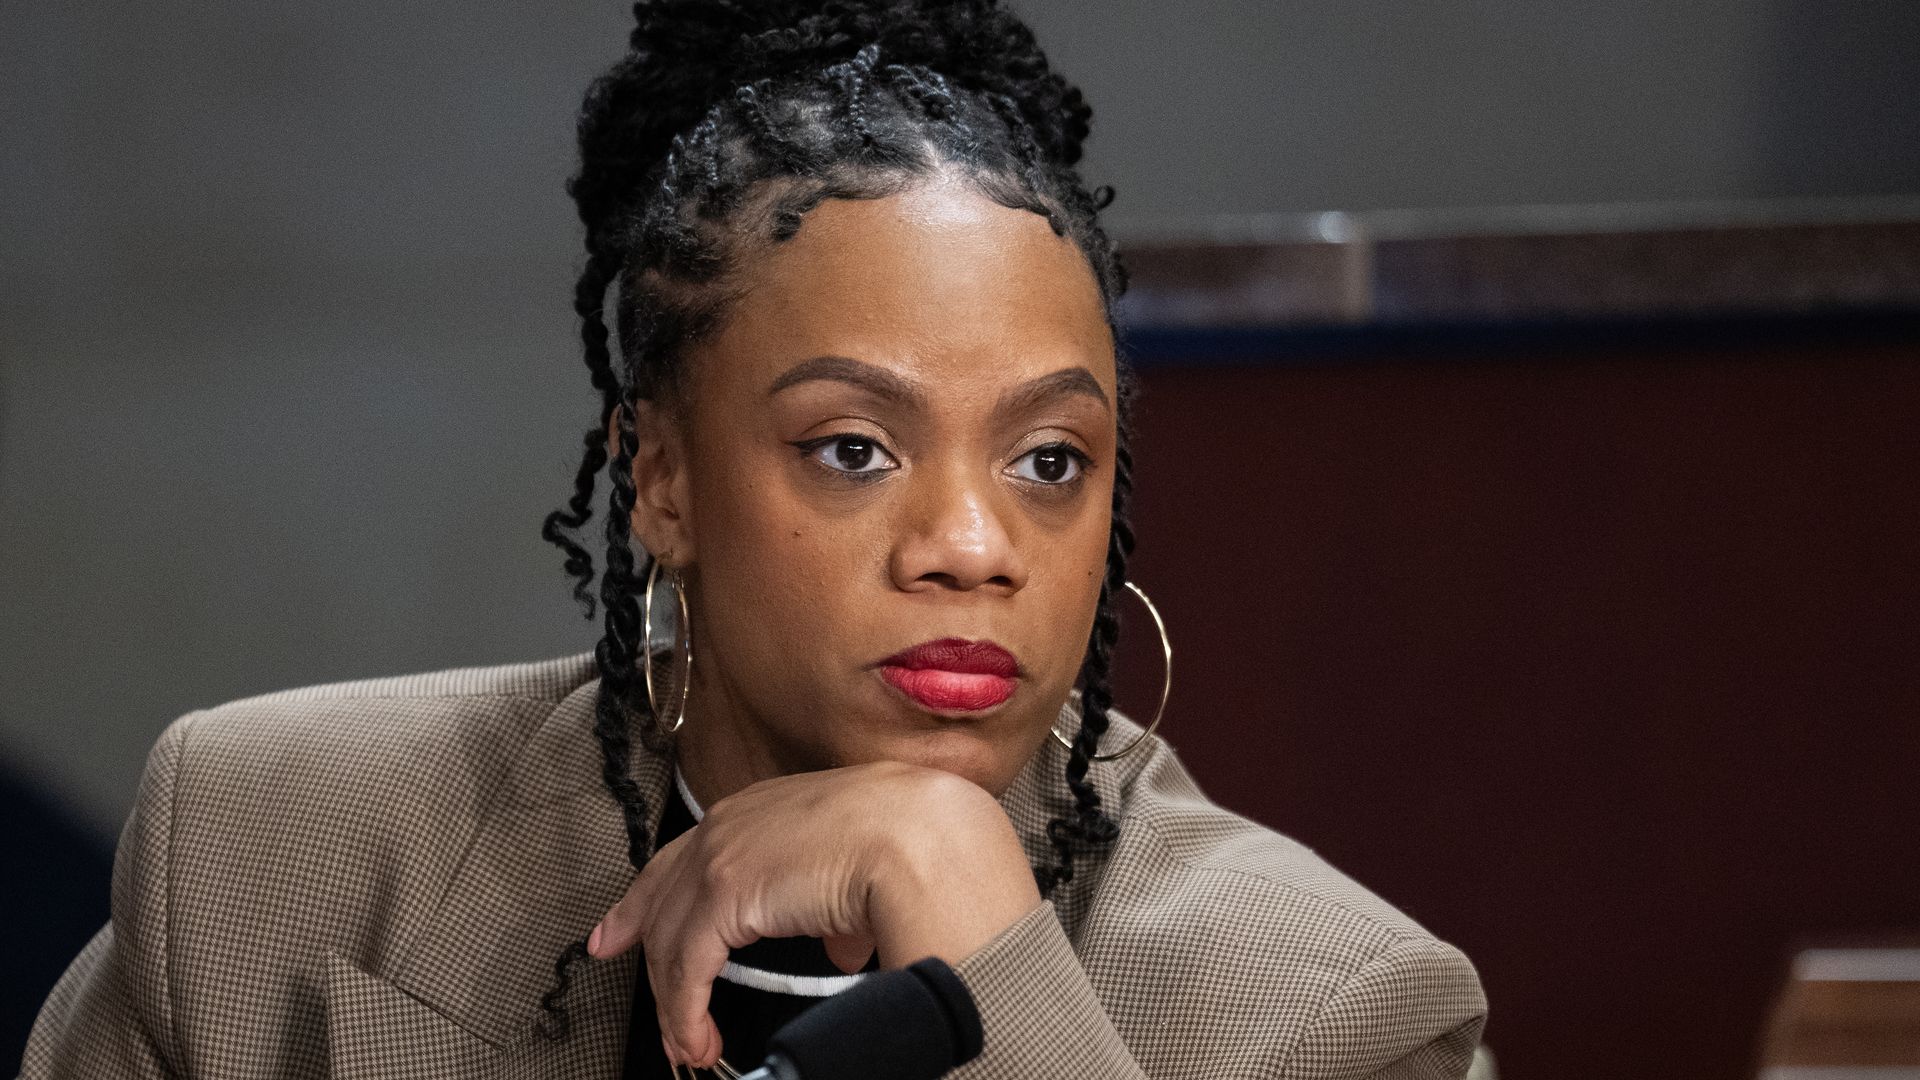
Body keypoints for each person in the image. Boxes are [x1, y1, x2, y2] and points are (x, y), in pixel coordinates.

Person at [20, 1, 1487, 1077]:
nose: (974, 546)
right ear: (660, 480)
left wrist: (988, 956)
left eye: (1050, 460)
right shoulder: (268, 858)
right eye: (854, 448)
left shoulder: (1338, 1016)